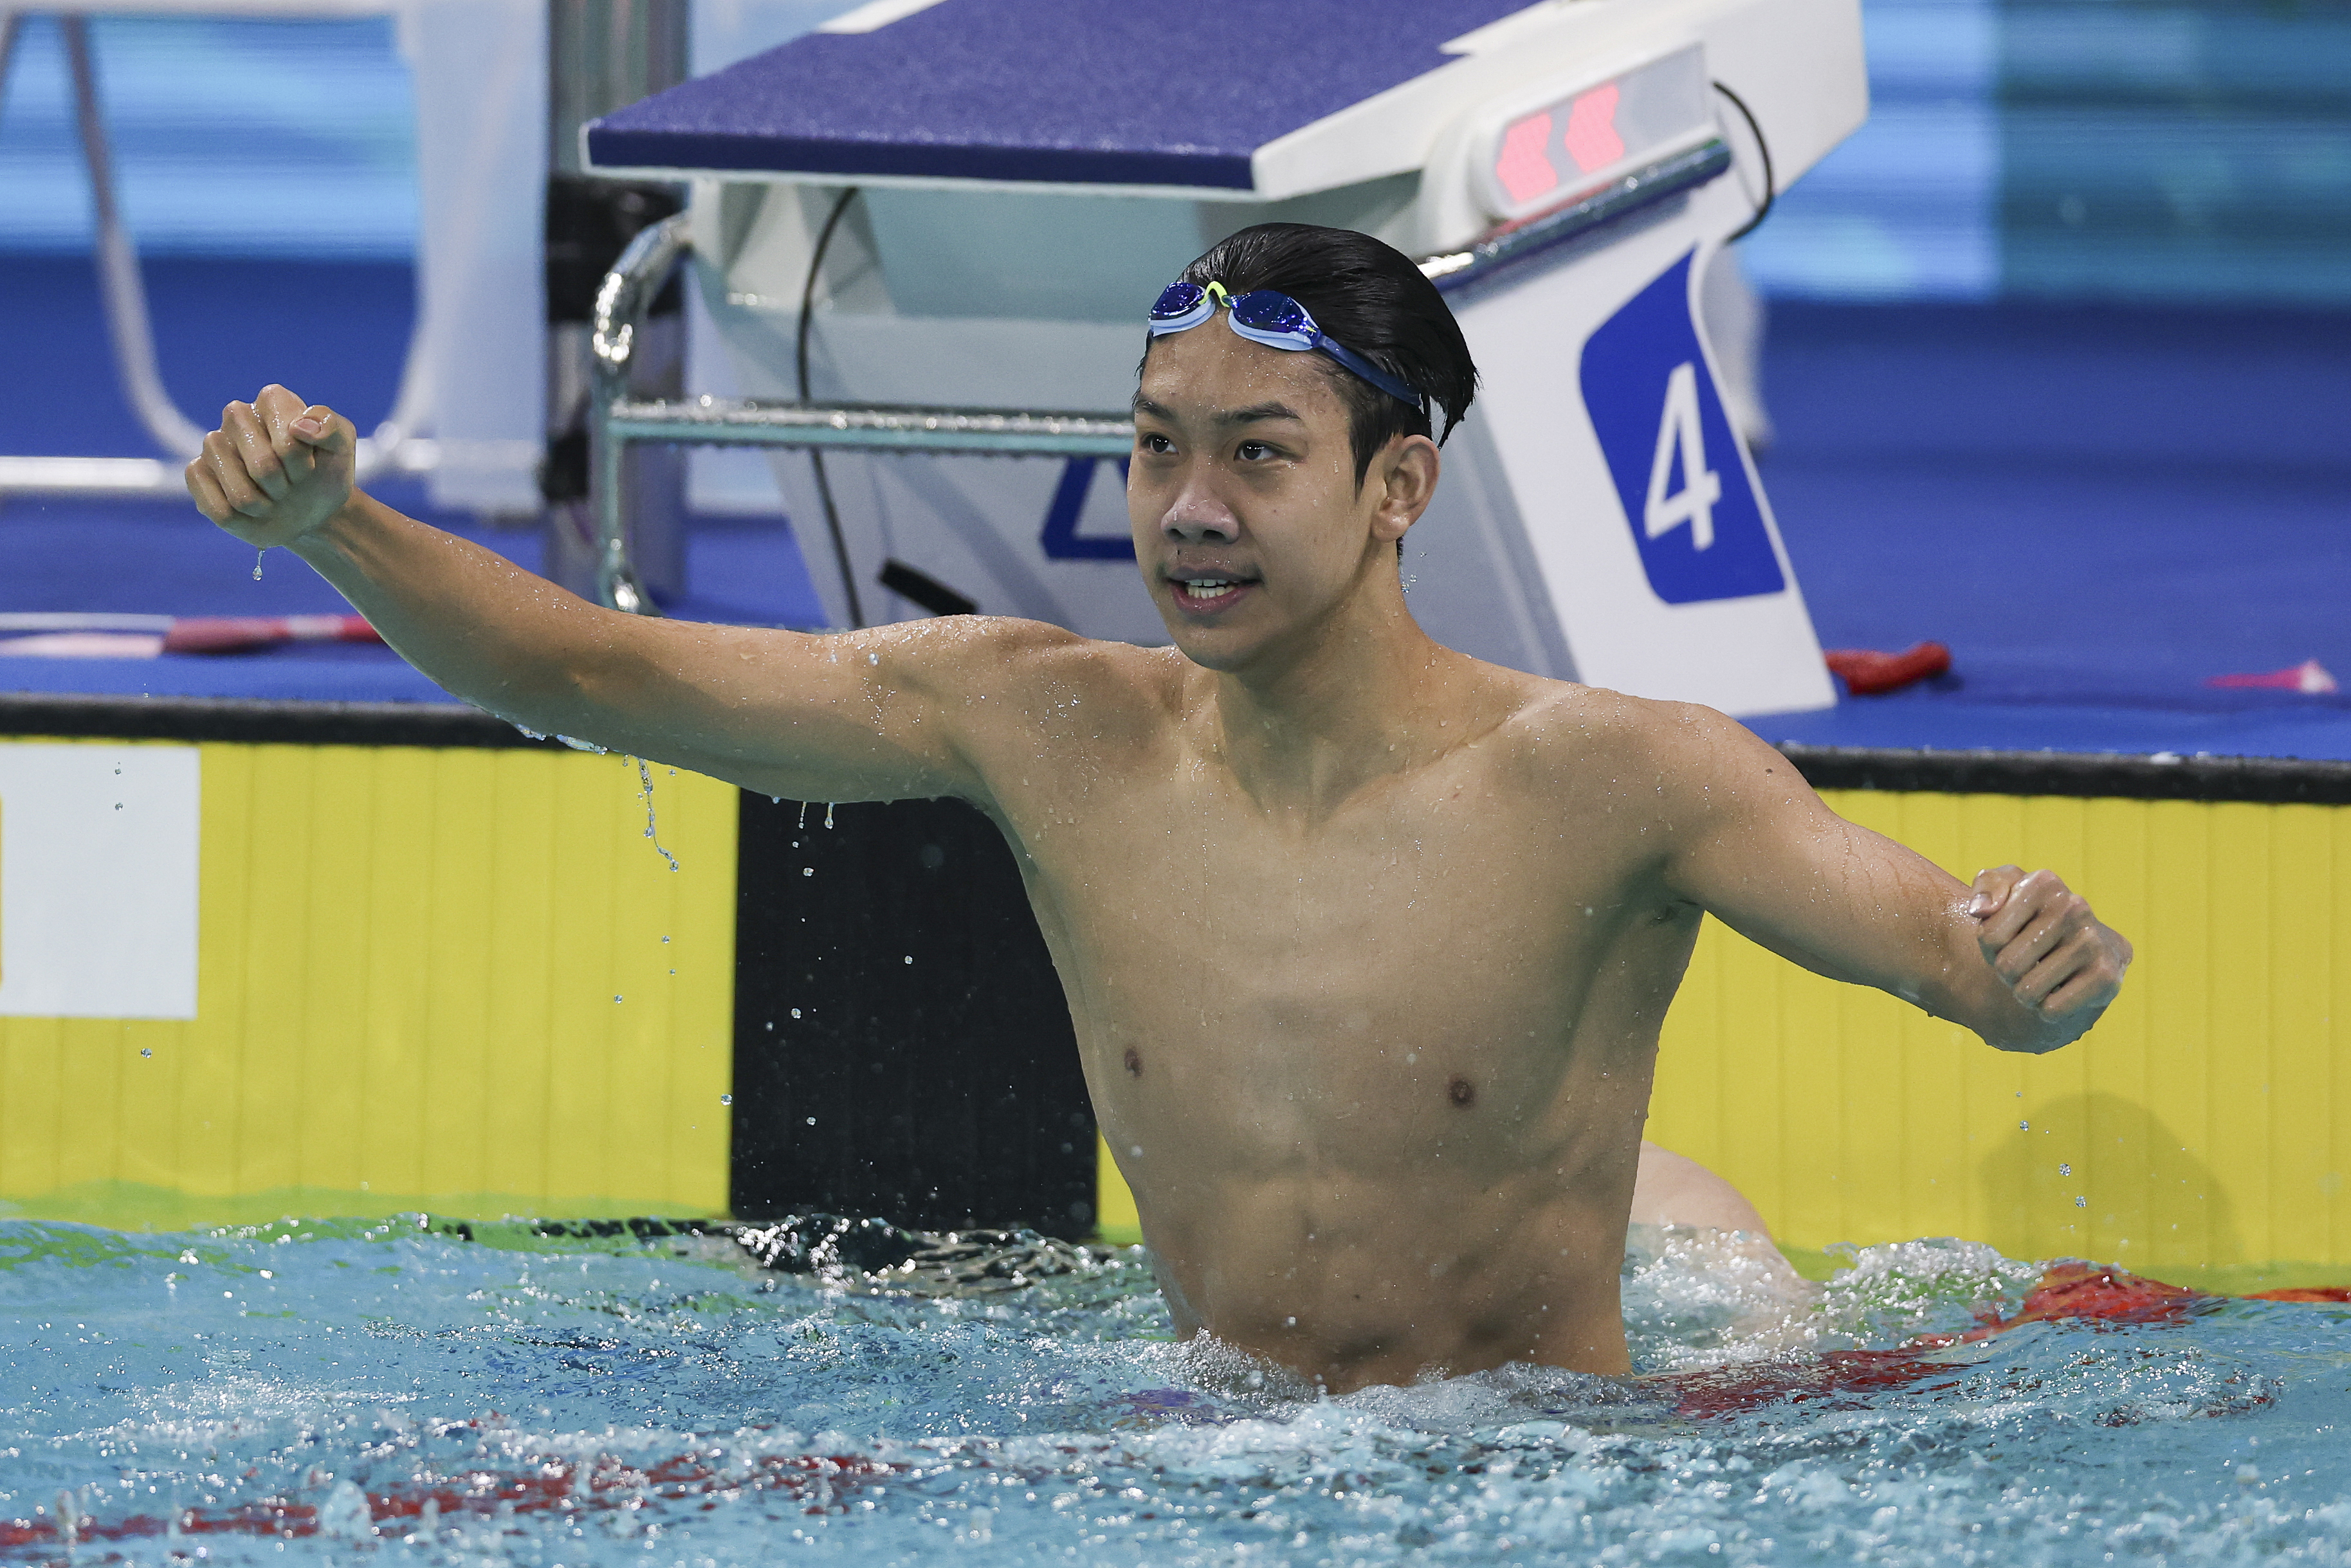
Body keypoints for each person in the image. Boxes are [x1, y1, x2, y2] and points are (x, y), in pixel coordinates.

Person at [185, 223, 2130, 1394]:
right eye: (1155, 449)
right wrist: (337, 528)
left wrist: (2025, 969)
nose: (1191, 511)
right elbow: (601, 676)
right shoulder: (1052, 726)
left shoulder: (1617, 774)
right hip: (1214, 1440)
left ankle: (1702, 1242)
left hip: (1544, 1467)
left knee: (1716, 1265)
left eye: (1259, 456)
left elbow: (1958, 964)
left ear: (1397, 488)